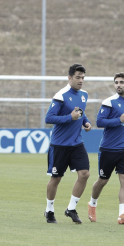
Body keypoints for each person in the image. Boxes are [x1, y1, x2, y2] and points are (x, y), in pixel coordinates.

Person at [88, 72, 124, 224]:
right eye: (116, 82)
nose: (118, 85)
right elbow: (100, 122)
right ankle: (92, 204)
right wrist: (118, 119)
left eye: (121, 82)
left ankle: (122, 215)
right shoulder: (109, 102)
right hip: (108, 149)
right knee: (102, 180)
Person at [44, 64, 91, 224]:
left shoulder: (84, 95)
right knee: (56, 179)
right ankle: (49, 210)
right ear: (69, 78)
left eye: (83, 77)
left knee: (84, 174)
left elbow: (81, 113)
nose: (81, 80)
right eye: (78, 77)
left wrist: (86, 122)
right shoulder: (61, 95)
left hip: (77, 144)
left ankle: (71, 208)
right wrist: (69, 118)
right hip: (59, 145)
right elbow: (49, 118)